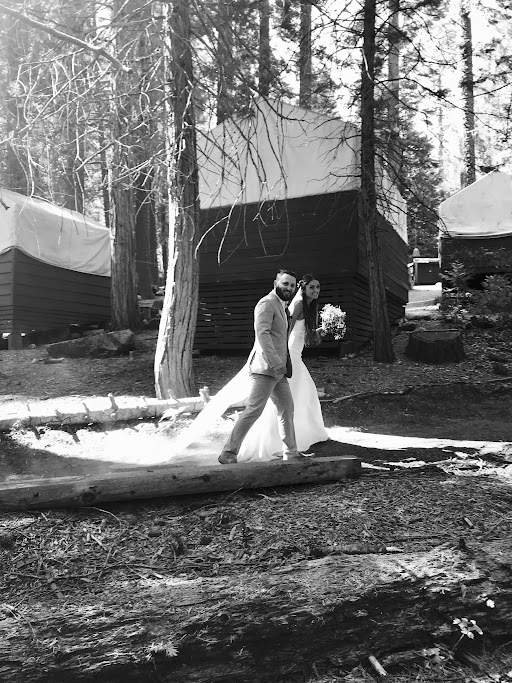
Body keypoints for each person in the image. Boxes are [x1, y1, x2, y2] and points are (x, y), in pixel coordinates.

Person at [237, 273, 329, 460]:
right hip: (278, 360)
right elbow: (274, 333)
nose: (316, 290)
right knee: (257, 409)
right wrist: (279, 359)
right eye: (312, 287)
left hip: (289, 358)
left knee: (289, 405)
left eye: (318, 287)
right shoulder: (276, 303)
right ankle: (233, 450)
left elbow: (308, 338)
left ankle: (292, 450)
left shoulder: (296, 306)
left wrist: (324, 330)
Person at [217, 269, 304, 465]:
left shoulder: (281, 306)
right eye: (285, 283)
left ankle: (291, 453)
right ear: (276, 282)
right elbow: (262, 335)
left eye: (292, 285)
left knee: (287, 408)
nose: (289, 288)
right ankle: (228, 453)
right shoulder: (266, 303)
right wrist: (276, 362)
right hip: (265, 368)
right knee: (253, 410)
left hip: (279, 372)